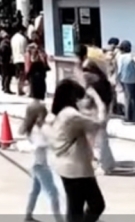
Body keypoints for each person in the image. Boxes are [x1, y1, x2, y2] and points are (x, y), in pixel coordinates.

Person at [49, 79, 106, 222]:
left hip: (67, 166)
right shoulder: (72, 116)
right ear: (73, 98)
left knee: (75, 208)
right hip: (76, 170)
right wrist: (100, 102)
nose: (83, 101)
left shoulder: (63, 113)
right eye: (81, 97)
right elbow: (98, 124)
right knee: (96, 205)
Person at [20, 100, 62, 222]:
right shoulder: (36, 129)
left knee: (34, 191)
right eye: (43, 113)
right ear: (37, 115)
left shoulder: (33, 127)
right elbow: (40, 144)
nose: (45, 115)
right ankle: (58, 219)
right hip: (40, 165)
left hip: (36, 164)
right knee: (53, 193)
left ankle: (28, 215)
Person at [114, 41, 135, 123]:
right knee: (133, 99)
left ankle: (129, 116)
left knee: (128, 98)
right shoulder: (129, 56)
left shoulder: (121, 57)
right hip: (132, 80)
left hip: (125, 79)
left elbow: (119, 70)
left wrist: (118, 79)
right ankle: (132, 116)